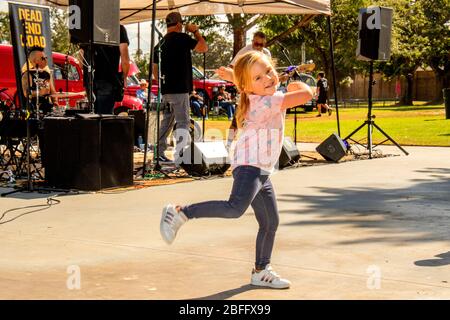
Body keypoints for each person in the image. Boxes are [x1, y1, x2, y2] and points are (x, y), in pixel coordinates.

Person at [159, 51, 313, 289]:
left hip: (262, 169)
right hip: (250, 166)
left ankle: (261, 271)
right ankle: (180, 212)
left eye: (269, 73)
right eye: (259, 78)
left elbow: (251, 84)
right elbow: (306, 94)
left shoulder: (258, 94)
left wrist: (242, 78)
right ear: (249, 87)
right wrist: (298, 83)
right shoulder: (265, 102)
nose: (268, 79)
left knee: (270, 222)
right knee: (234, 209)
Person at [153, 12, 208, 163]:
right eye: (182, 24)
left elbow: (154, 68)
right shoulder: (183, 38)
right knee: (183, 121)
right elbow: (203, 47)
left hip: (166, 89)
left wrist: (162, 82)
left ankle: (159, 152)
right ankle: (181, 155)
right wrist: (196, 32)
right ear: (178, 24)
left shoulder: (160, 43)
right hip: (180, 89)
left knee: (167, 121)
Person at [78, 24, 130, 114]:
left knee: (92, 118)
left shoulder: (89, 27)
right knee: (105, 119)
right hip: (108, 80)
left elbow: (81, 62)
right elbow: (125, 59)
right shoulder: (118, 28)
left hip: (90, 81)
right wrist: (124, 77)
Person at [21, 46, 58, 115]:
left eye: (46, 57)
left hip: (47, 108)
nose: (46, 60)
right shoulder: (27, 74)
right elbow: (26, 93)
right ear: (35, 60)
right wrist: (40, 92)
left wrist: (55, 102)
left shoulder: (47, 73)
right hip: (33, 110)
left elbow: (52, 91)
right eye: (43, 58)